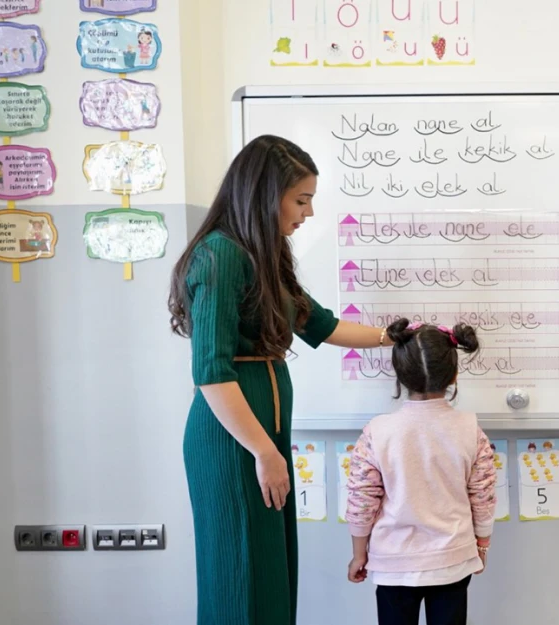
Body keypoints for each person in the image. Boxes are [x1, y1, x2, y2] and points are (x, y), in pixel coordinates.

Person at [168, 135, 392, 625]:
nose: (308, 212)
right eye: (301, 199)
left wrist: (394, 336)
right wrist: (264, 453)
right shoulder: (220, 255)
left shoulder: (264, 256)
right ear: (265, 194)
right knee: (239, 571)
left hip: (259, 439)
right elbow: (210, 373)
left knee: (269, 568)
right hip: (234, 441)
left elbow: (323, 325)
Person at [345, 319, 496, 625]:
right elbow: (483, 495)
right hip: (452, 559)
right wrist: (481, 545)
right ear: (453, 375)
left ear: (399, 376)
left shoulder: (378, 432)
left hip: (393, 564)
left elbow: (362, 500)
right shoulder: (470, 429)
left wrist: (360, 553)